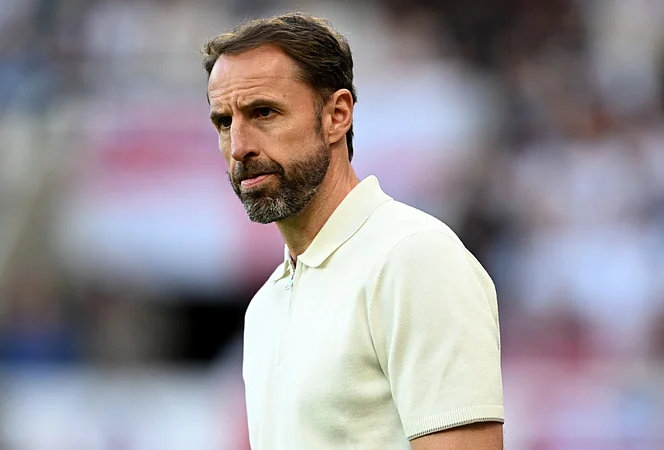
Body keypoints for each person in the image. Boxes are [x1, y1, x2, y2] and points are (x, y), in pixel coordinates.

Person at [202, 12, 504, 450]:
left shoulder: (414, 258)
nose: (239, 146)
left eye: (263, 112)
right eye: (224, 122)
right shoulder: (266, 304)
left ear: (337, 115)